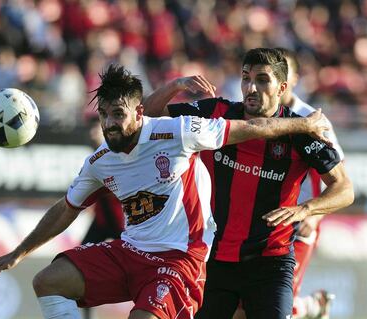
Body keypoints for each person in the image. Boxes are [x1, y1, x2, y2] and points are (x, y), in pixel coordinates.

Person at [0, 64, 332, 319]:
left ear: (138, 111)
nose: (109, 124)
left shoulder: (178, 132)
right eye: (103, 115)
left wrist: (305, 123)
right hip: (131, 251)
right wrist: (19, 252)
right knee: (48, 281)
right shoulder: (101, 161)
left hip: (179, 259)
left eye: (117, 114)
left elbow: (253, 127)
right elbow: (65, 208)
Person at [144, 48, 354, 319]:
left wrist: (306, 209)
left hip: (270, 262)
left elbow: (344, 188)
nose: (251, 88)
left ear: (282, 87)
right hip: (213, 259)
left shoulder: (301, 130)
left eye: (262, 80)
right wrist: (177, 85)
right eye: (245, 78)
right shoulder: (217, 113)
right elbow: (144, 117)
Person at [276, 47, 344, 319]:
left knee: (280, 303)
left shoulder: (313, 120)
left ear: (293, 79)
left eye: (284, 72)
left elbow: (340, 178)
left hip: (299, 224)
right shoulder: (254, 117)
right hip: (265, 222)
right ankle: (312, 307)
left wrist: (314, 216)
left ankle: (311, 307)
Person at [81, 116, 125, 319]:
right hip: (102, 221)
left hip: (122, 221)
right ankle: (87, 314)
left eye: (95, 130)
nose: (91, 134)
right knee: (80, 260)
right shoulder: (94, 159)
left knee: (136, 267)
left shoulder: (118, 154)